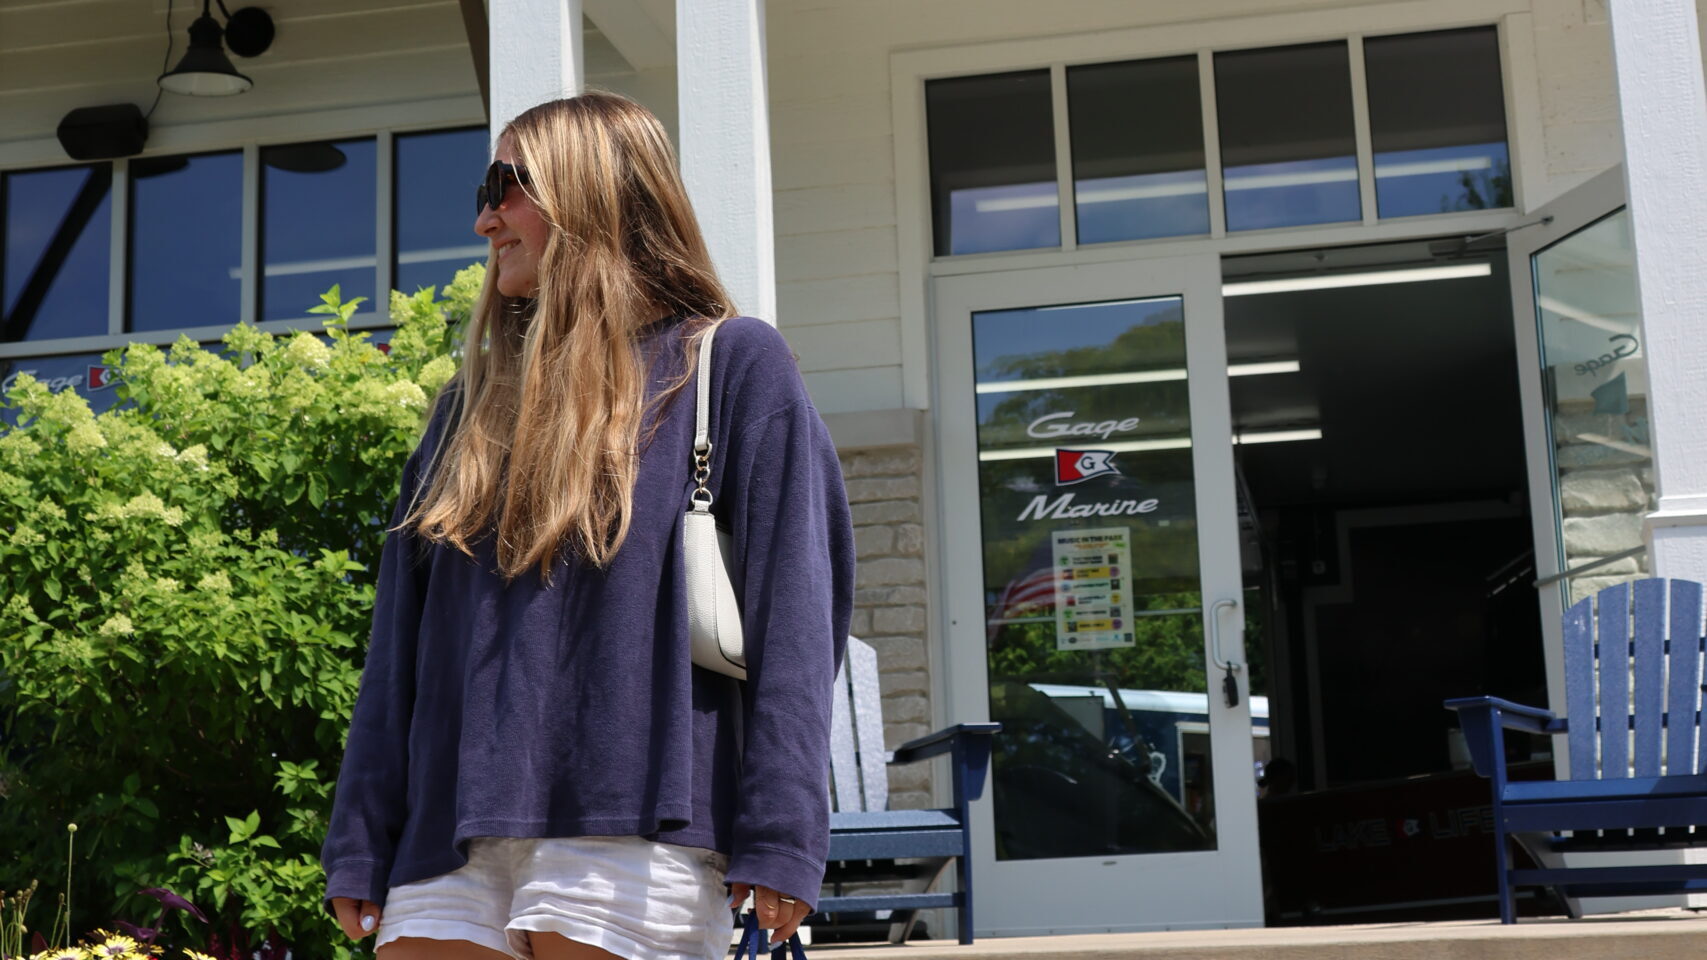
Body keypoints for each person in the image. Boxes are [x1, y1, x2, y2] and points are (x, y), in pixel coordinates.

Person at [320, 92, 856, 960]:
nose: (485, 218)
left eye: (507, 185)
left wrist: (782, 831)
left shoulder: (728, 365)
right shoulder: (466, 408)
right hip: (448, 832)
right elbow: (398, 645)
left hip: (635, 820)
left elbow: (796, 615)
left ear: (593, 194)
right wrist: (361, 835)